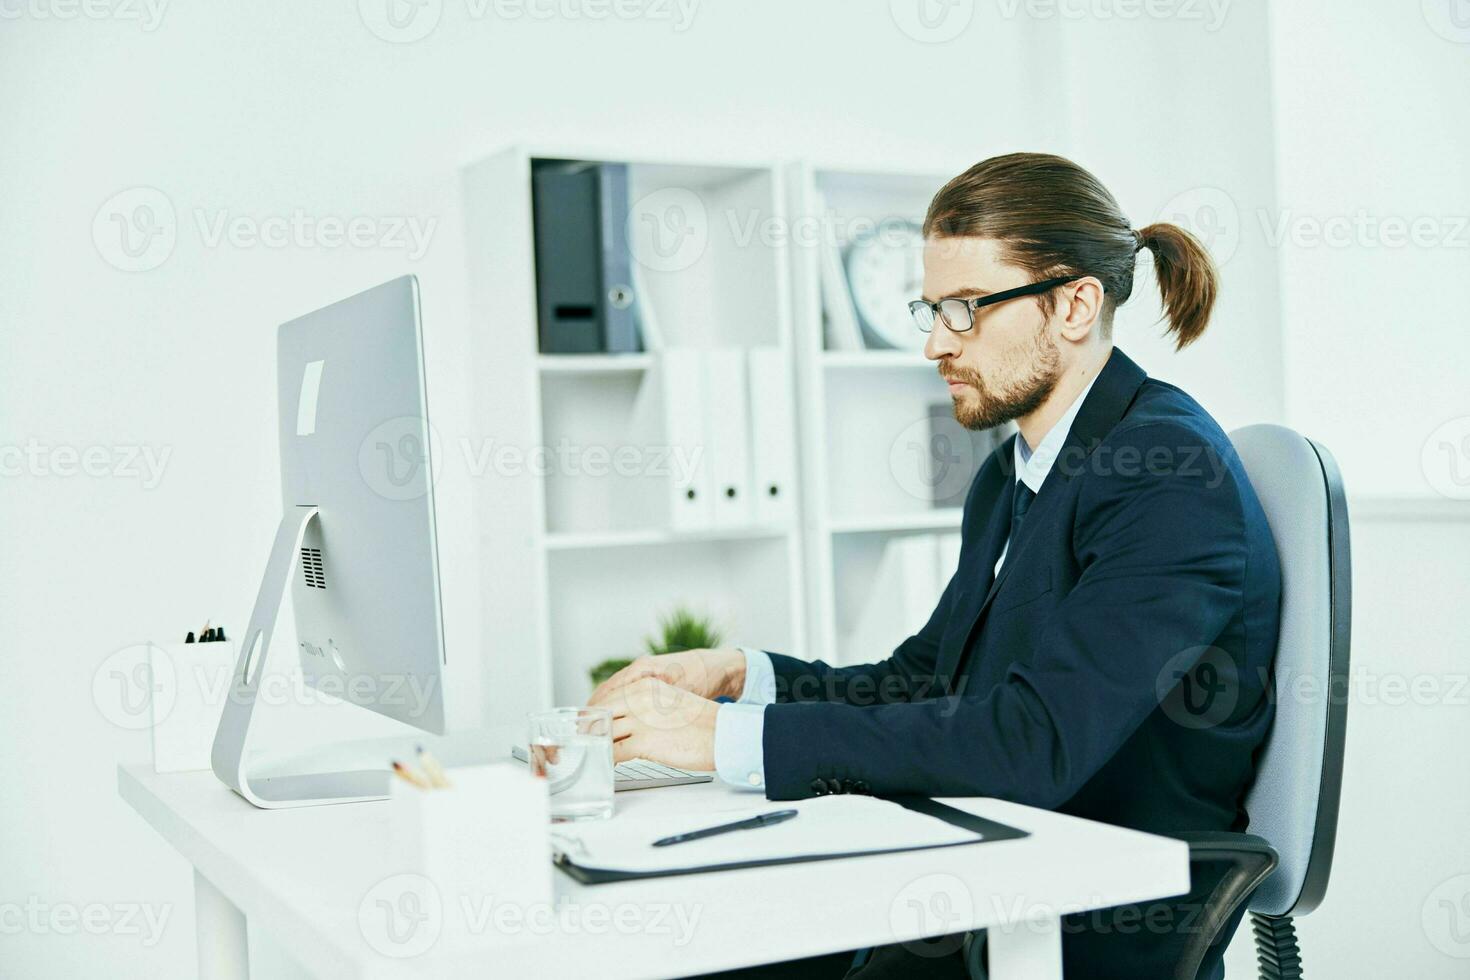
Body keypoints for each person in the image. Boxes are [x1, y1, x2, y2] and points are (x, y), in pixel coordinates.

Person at [589, 152, 1282, 979]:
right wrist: (743, 677)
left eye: (965, 311)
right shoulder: (1011, 474)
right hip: (984, 873)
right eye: (930, 308)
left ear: (1073, 303)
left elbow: (1035, 740)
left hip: (1083, 911)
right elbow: (929, 676)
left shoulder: (1165, 471)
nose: (933, 343)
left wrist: (726, 741)